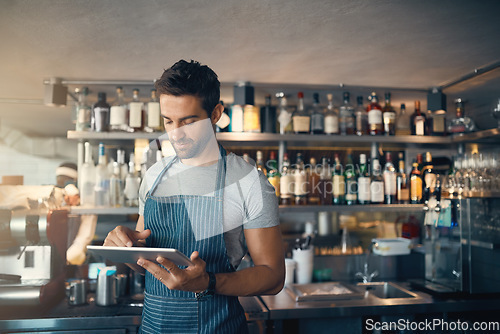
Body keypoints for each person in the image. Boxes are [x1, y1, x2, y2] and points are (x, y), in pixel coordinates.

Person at [104, 60, 285, 333]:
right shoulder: (154, 176)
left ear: (215, 114)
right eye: (168, 121)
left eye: (188, 121)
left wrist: (209, 282)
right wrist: (125, 249)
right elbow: (148, 265)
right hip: (154, 328)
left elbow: (273, 277)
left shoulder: (248, 182)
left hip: (218, 327)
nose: (176, 133)